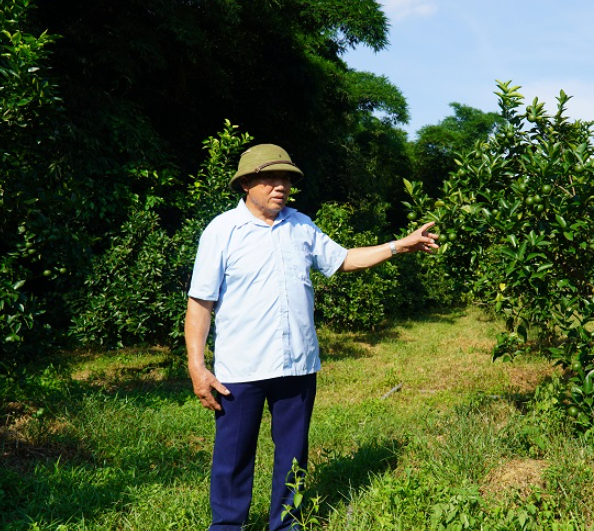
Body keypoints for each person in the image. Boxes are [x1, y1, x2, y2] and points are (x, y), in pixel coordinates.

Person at [184, 144, 438, 531]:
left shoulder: (301, 225)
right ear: (247, 184)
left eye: (286, 178)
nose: (281, 186)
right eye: (271, 178)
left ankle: (286, 524)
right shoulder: (222, 231)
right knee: (233, 457)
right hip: (240, 369)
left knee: (292, 455)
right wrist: (197, 367)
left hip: (297, 364)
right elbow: (200, 303)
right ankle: (227, 526)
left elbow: (345, 259)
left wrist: (398, 245)